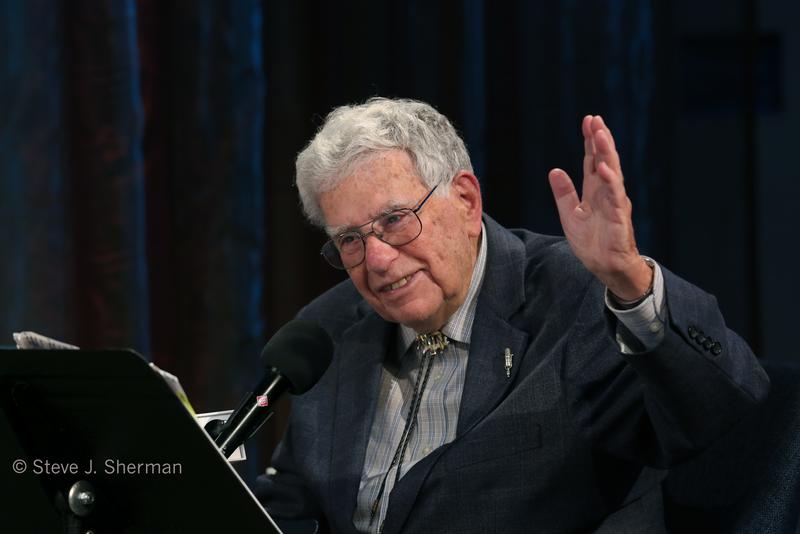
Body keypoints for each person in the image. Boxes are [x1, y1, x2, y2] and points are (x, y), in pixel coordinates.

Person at [255, 97, 769, 533]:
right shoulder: (328, 330)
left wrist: (632, 282)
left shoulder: (576, 298)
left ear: (465, 200)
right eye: (350, 240)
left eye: (395, 221)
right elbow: (292, 503)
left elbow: (719, 414)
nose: (377, 260)